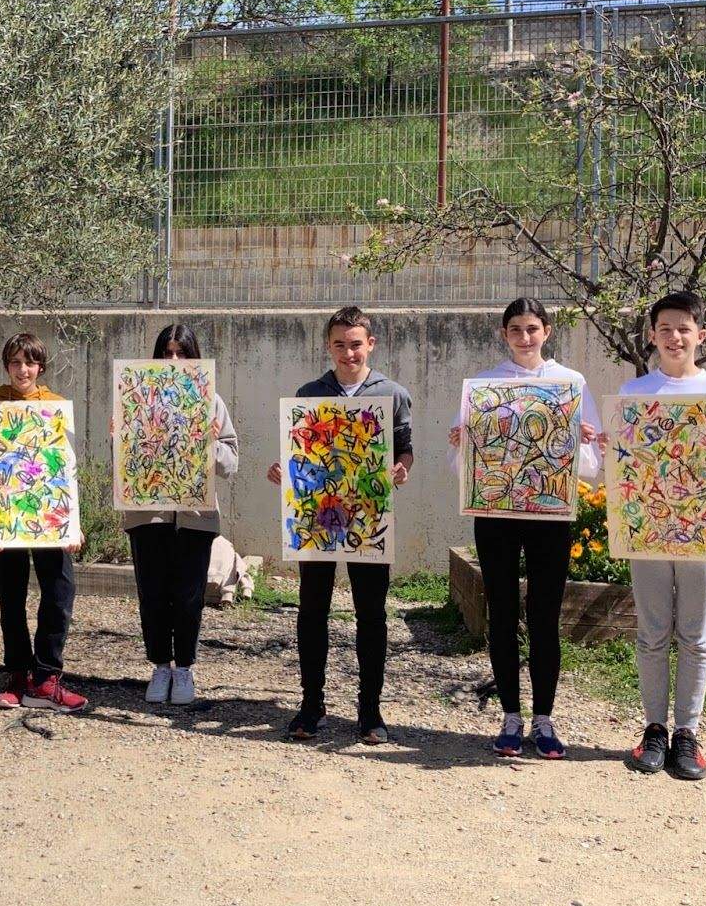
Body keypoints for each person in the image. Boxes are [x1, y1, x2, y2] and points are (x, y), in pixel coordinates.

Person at [447, 297, 601, 759]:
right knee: (500, 611)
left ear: (547, 331)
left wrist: (583, 440)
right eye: (515, 329)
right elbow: (461, 467)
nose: (525, 337)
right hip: (496, 514)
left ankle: (544, 718)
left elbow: (590, 466)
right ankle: (511, 716)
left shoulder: (571, 383)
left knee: (545, 616)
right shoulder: (485, 385)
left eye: (532, 328)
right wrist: (462, 444)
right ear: (504, 334)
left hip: (550, 514)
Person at [617, 291, 706, 782]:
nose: (674, 337)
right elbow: (623, 462)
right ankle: (654, 729)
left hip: (704, 528)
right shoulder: (634, 393)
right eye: (665, 329)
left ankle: (688, 733)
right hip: (648, 529)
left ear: (701, 335)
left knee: (696, 636)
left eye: (683, 329)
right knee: (652, 632)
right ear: (652, 336)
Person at [267, 307, 413, 744]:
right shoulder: (310, 393)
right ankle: (311, 704)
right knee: (312, 611)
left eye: (355, 344)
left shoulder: (392, 394)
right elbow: (299, 452)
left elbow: (405, 449)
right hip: (317, 519)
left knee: (372, 614)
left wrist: (401, 469)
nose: (348, 353)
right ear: (328, 347)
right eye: (339, 345)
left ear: (371, 344)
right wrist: (283, 470)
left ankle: (370, 710)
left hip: (369, 519)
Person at [121, 323, 239, 707]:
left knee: (189, 596)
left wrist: (211, 443)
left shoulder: (212, 401)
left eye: (181, 352)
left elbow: (230, 463)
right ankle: (160, 666)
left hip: (195, 516)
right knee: (152, 593)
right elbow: (125, 460)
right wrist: (120, 437)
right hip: (147, 515)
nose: (174, 359)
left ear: (194, 356)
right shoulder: (137, 396)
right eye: (167, 352)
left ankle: (184, 668)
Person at [0, 332, 88, 713]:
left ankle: (46, 678)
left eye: (29, 362)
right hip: (8, 518)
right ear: (6, 365)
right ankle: (18, 675)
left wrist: (72, 522)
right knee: (11, 599)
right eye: (15, 362)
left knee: (59, 594)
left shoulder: (55, 406)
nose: (22, 369)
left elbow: (65, 470)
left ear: (40, 367)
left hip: (50, 518)